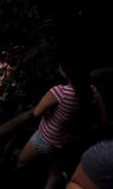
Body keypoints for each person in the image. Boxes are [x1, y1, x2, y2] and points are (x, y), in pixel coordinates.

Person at [18, 57, 107, 189]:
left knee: (22, 160)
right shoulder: (92, 90)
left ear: (66, 73)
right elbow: (104, 120)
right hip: (69, 140)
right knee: (55, 169)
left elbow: (36, 112)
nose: (58, 68)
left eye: (60, 67)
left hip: (47, 138)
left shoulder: (60, 92)